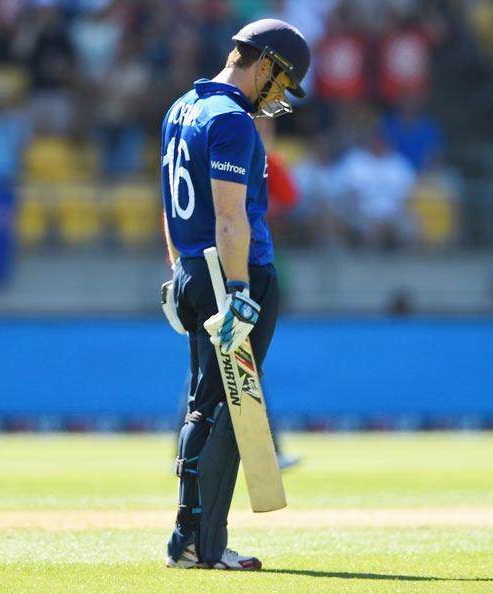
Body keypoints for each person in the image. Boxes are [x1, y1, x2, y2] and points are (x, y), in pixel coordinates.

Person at [159, 19, 310, 570]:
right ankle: (205, 544)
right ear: (264, 63)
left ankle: (187, 537)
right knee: (226, 407)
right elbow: (229, 217)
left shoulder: (180, 109)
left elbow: (170, 209)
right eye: (281, 81)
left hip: (196, 270)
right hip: (233, 274)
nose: (278, 96)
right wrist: (239, 292)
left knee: (205, 406)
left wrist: (179, 273)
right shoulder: (231, 121)